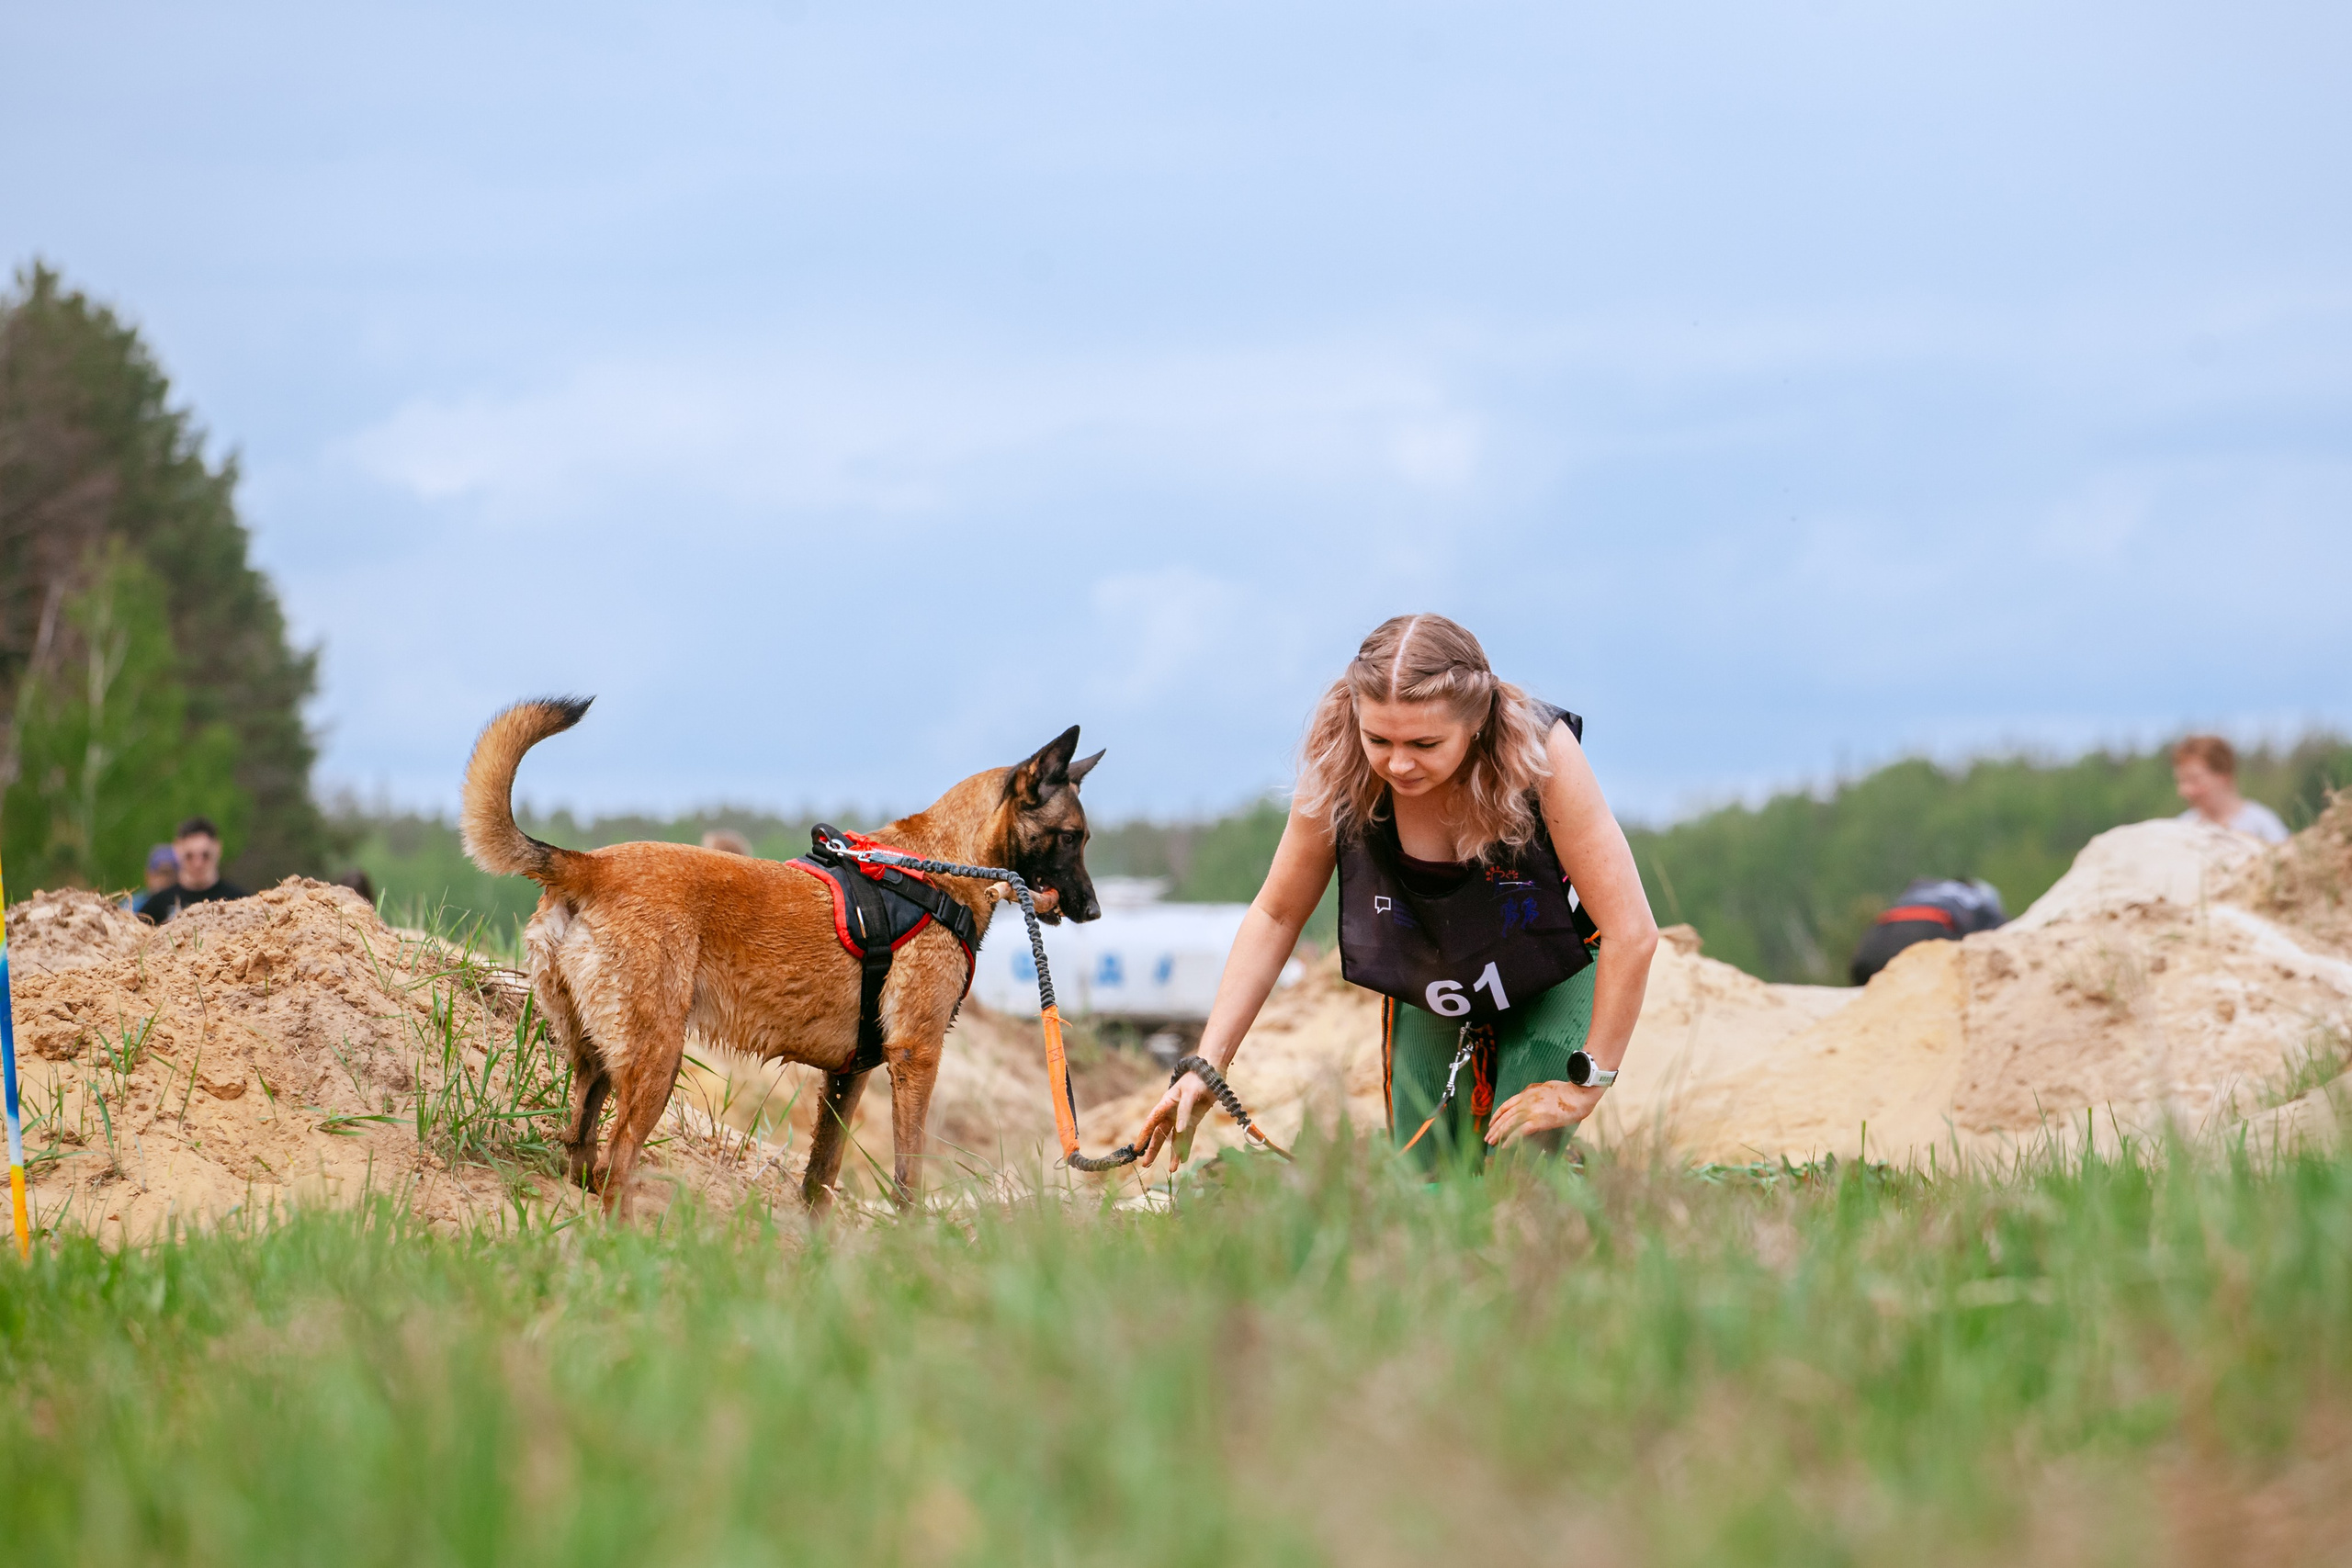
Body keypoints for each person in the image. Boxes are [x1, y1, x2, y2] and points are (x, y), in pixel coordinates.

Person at [1134, 614, 1660, 1172]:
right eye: (1379, 739)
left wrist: (1587, 1081)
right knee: (1425, 1177)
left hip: (1554, 963)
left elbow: (1633, 933)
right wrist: (1205, 1065)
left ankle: (1575, 1189)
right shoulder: (1340, 763)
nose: (1399, 763)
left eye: (1425, 742)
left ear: (1477, 721)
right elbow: (1277, 913)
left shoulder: (1542, 753)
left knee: (1517, 1172)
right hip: (1437, 970)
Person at [1848, 877, 2006, 987]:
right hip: (1930, 931)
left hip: (1875, 941)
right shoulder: (1980, 901)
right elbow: (2008, 935)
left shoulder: (1922, 886)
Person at [2172, 735, 2288, 844]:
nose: (2184, 790)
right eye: (2181, 781)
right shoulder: (2182, 826)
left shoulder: (2262, 824)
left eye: (2194, 779)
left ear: (2223, 775)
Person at [135, 817, 249, 923]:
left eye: (205, 855)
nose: (197, 864)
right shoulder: (157, 905)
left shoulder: (239, 901)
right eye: (189, 856)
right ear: (177, 849)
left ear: (217, 848)